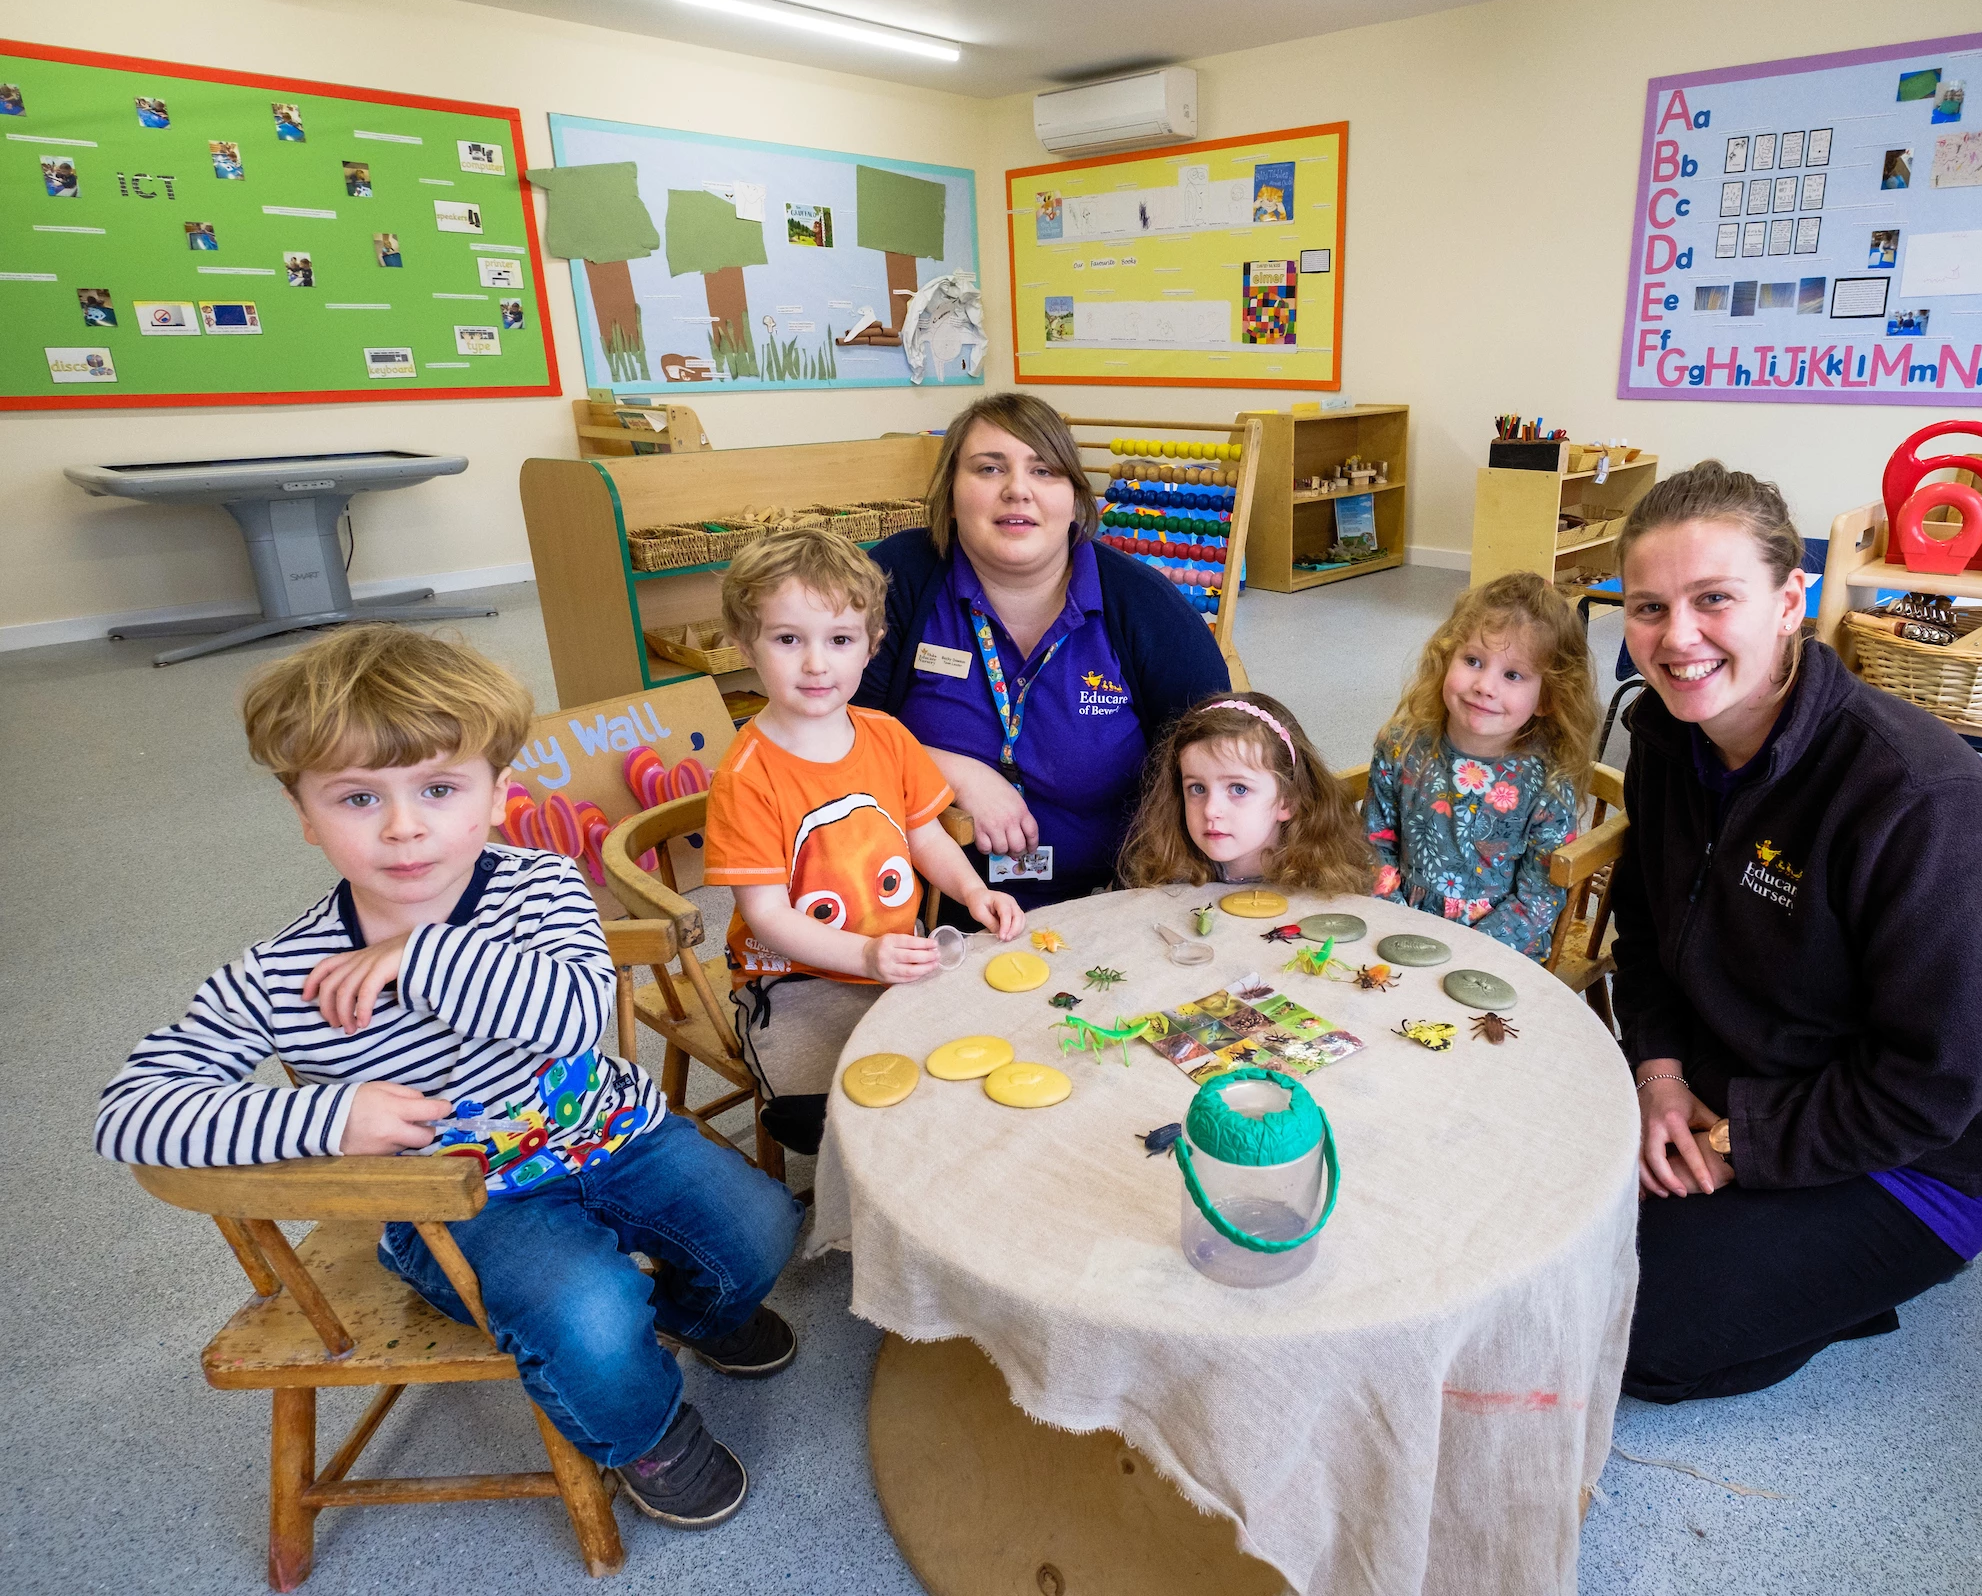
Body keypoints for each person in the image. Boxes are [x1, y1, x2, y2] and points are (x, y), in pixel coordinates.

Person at [94, 627, 800, 1528]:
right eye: (356, 797)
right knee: (589, 1316)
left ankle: (695, 1313)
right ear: (304, 815)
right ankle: (647, 1432)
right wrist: (328, 1115)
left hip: (614, 1137)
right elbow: (132, 1111)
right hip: (458, 1204)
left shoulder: (543, 889)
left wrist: (419, 955)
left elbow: (572, 1023)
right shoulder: (279, 975)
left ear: (497, 796)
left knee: (764, 1226)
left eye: (438, 788)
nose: (403, 827)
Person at [1605, 461, 1982, 1404]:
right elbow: (1643, 924)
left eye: (1714, 598)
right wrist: (1661, 1080)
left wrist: (1735, 1149)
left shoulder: (1921, 799)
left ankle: (1857, 1292)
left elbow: (1942, 1083)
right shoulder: (1665, 738)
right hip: (1730, 1083)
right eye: (1647, 607)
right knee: (1541, 1239)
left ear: (1791, 599)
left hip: (1915, 1160)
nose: (1677, 639)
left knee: (1627, 1329)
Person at [704, 528, 1022, 1158]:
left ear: (872, 647)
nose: (816, 664)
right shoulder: (747, 778)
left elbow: (923, 834)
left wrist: (971, 888)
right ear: (745, 645)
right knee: (834, 1119)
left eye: (840, 640)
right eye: (788, 639)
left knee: (967, 1070)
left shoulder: (886, 735)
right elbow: (766, 917)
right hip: (794, 978)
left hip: (895, 959)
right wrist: (866, 959)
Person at [857, 392, 1230, 912]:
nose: (1017, 491)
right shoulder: (897, 580)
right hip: (916, 904)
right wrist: (949, 769)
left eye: (1045, 471)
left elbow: (1221, 765)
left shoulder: (1146, 609)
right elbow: (821, 731)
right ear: (949, 492)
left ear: (1076, 499)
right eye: (989, 469)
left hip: (1109, 902)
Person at [1363, 571, 1597, 960]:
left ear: (1547, 698)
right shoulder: (1400, 745)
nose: (1485, 686)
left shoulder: (1547, 780)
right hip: (1398, 926)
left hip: (1499, 951)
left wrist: (1466, 951)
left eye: (1513, 674)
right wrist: (1398, 923)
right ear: (1445, 659)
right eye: (1472, 660)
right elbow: (1375, 846)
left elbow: (1538, 897)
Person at [1119, 690, 1375, 894]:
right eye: (1197, 788)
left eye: (1238, 789)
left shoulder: (1321, 883)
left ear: (1288, 800)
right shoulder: (1170, 871)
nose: (1211, 810)